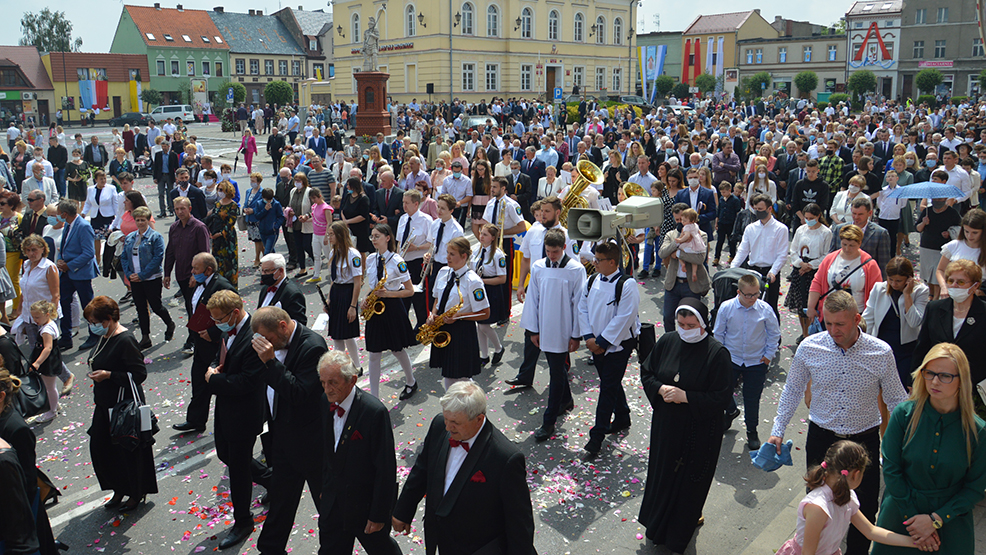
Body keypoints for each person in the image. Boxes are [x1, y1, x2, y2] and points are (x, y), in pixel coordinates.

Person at [769, 290, 908, 555]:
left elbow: (896, 400)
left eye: (840, 324)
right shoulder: (810, 347)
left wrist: (909, 440)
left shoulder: (880, 353)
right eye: (828, 323)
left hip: (862, 443)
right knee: (819, 505)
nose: (832, 330)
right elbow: (792, 390)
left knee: (865, 507)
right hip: (822, 439)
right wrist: (777, 430)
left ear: (857, 319)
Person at [392, 381, 536, 555]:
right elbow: (423, 468)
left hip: (476, 547)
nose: (447, 427)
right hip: (439, 538)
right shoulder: (440, 426)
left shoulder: (505, 458)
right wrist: (403, 510)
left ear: (479, 420)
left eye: (455, 422)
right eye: (446, 419)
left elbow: (519, 522)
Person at [873, 344, 986, 554]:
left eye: (945, 376)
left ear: (962, 381)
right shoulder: (903, 415)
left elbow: (975, 488)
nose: (934, 381)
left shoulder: (977, 431)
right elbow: (891, 469)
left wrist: (935, 520)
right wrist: (915, 523)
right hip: (900, 514)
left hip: (951, 523)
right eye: (930, 373)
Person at [638, 298, 731, 553]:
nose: (685, 329)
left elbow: (722, 396)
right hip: (667, 428)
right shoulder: (668, 341)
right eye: (681, 324)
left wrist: (687, 397)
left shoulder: (717, 354)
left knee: (688, 486)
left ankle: (680, 533)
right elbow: (647, 372)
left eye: (691, 325)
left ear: (703, 325)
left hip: (698, 433)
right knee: (662, 476)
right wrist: (660, 388)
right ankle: (657, 525)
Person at [250, 306, 328, 555]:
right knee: (281, 500)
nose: (268, 345)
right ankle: (271, 549)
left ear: (283, 326)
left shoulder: (312, 346)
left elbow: (299, 393)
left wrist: (271, 362)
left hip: (311, 443)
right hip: (283, 438)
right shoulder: (275, 345)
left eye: (270, 339)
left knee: (328, 505)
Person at [316, 350, 402, 555]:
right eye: (323, 382)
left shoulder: (373, 412)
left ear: (352, 380)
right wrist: (324, 487)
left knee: (382, 550)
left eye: (333, 382)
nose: (327, 389)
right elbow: (327, 450)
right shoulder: (324, 401)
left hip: (364, 507)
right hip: (333, 503)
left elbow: (385, 468)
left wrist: (379, 514)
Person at [203, 290, 270, 550]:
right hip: (226, 406)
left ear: (235, 313)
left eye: (219, 318)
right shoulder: (228, 330)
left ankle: (243, 520)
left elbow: (248, 381)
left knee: (238, 469)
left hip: (244, 411)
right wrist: (213, 368)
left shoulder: (254, 337)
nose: (216, 322)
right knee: (226, 454)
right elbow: (220, 354)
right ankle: (271, 479)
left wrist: (214, 379)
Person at [775, 440, 923, 555]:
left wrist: (915, 542)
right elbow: (808, 553)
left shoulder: (847, 496)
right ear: (856, 474)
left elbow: (870, 531)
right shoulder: (818, 507)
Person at [84, 296, 159, 511]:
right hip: (105, 404)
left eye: (94, 322)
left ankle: (136, 492)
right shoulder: (105, 336)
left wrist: (109, 375)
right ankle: (119, 487)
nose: (92, 327)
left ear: (108, 319)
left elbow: (139, 374)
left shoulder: (125, 340)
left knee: (127, 451)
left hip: (122, 406)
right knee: (102, 448)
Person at [578, 240, 640, 457]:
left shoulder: (626, 284)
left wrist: (602, 342)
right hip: (596, 343)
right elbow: (582, 307)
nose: (594, 263)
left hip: (618, 345)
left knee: (607, 388)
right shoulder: (593, 279)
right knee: (609, 382)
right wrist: (589, 337)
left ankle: (597, 436)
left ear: (612, 262)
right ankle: (622, 415)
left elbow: (625, 317)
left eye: (599, 260)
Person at [524, 228, 586, 442]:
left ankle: (548, 422)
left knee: (556, 373)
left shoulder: (576, 270)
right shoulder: (539, 267)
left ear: (564, 248)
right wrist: (533, 330)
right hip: (544, 327)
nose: (552, 255)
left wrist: (576, 335)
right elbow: (533, 299)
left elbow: (580, 304)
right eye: (548, 251)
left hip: (563, 329)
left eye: (556, 251)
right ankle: (567, 400)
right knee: (557, 370)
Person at [715, 274, 781, 451]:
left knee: (752, 399)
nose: (752, 298)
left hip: (756, 361)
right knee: (722, 390)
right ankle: (730, 410)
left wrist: (768, 356)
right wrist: (721, 357)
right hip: (732, 358)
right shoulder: (727, 308)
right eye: (748, 295)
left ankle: (752, 431)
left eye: (756, 294)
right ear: (739, 292)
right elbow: (719, 334)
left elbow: (774, 334)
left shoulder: (765, 309)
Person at [912, 259, 986, 417]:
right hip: (937, 387)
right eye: (950, 281)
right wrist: (913, 381)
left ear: (975, 286)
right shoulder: (934, 308)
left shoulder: (984, 313)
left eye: (960, 282)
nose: (954, 286)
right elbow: (923, 346)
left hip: (973, 391)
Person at [172, 253, 233, 433]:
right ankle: (196, 421)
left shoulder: (222, 286)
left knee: (221, 386)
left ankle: (228, 423)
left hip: (215, 346)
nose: (192, 272)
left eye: (195, 269)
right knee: (199, 384)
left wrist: (213, 332)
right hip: (200, 344)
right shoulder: (198, 283)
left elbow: (232, 316)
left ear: (208, 270)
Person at [427, 236, 490, 389]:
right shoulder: (443, 272)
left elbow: (485, 313)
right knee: (449, 374)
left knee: (457, 377)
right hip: (443, 327)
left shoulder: (473, 281)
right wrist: (432, 314)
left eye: (452, 254)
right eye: (447, 253)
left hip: (461, 331)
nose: (447, 257)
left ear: (464, 256)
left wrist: (459, 316)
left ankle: (465, 408)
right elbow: (437, 299)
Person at [862, 257, 929, 389]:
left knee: (901, 388)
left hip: (906, 349)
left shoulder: (921, 291)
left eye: (899, 281)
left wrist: (907, 295)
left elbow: (915, 322)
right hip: (882, 346)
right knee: (879, 388)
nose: (894, 284)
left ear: (909, 278)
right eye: (890, 279)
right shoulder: (878, 288)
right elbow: (868, 318)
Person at [120, 206, 176, 351]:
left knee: (156, 305)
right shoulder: (131, 237)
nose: (140, 223)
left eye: (142, 220)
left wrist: (142, 275)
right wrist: (129, 274)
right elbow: (124, 256)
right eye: (137, 220)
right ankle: (145, 337)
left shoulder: (155, 237)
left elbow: (158, 258)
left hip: (151, 278)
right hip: (135, 278)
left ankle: (169, 323)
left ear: (147, 220)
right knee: (140, 308)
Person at [807, 224, 883, 328]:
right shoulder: (830, 259)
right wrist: (811, 307)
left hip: (855, 315)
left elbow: (876, 293)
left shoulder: (870, 264)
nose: (847, 249)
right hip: (830, 313)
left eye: (851, 245)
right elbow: (817, 283)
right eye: (844, 244)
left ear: (860, 243)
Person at [164, 197, 212, 357]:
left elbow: (205, 254)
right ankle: (197, 336)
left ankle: (193, 339)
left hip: (196, 277)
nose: (179, 212)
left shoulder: (199, 227)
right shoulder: (174, 228)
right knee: (190, 307)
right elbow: (170, 251)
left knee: (196, 308)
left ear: (189, 209)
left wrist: (196, 275)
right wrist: (167, 273)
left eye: (182, 209)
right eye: (176, 209)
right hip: (181, 275)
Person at [658, 203, 710, 332]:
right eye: (678, 220)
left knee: (690, 320)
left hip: (691, 285)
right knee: (668, 317)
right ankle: (671, 342)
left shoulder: (700, 235)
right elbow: (662, 253)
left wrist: (679, 254)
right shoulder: (671, 235)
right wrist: (677, 242)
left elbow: (699, 258)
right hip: (673, 283)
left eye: (683, 219)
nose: (681, 223)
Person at [56, 200, 99, 351]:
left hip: (80, 272)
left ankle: (95, 335)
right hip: (67, 272)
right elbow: (65, 245)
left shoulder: (83, 226)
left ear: (65, 214)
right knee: (64, 302)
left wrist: (69, 265)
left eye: (59, 213)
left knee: (87, 305)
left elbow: (88, 253)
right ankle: (66, 336)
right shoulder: (68, 224)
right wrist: (61, 261)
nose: (57, 216)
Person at [785, 203, 833, 339]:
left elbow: (826, 254)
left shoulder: (826, 232)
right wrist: (800, 264)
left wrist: (810, 265)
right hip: (799, 268)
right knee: (800, 304)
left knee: (811, 303)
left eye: (811, 217)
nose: (808, 220)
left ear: (818, 216)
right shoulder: (801, 230)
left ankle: (812, 333)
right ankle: (804, 332)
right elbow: (793, 250)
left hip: (814, 270)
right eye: (806, 217)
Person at [324, 221, 364, 372]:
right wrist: (329, 298)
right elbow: (334, 280)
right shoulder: (333, 252)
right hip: (336, 293)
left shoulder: (353, 255)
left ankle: (357, 366)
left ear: (340, 235)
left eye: (332, 234)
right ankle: (340, 368)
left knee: (347, 334)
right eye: (329, 234)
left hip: (347, 294)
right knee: (337, 335)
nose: (329, 237)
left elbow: (357, 281)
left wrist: (353, 306)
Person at [829, 197, 893, 279]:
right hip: (840, 278)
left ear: (870, 213)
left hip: (867, 279)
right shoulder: (839, 229)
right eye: (854, 213)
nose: (856, 217)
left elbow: (884, 263)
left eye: (860, 214)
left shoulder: (880, 233)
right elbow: (832, 255)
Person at [934, 208, 986, 300]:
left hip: (979, 297)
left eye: (975, 233)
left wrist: (981, 290)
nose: (970, 236)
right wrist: (944, 287)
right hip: (953, 294)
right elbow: (940, 270)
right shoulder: (953, 246)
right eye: (966, 231)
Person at [257, 253, 307, 325]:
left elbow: (299, 324)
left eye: (267, 271)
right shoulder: (265, 288)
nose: (263, 274)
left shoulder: (292, 294)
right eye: (262, 270)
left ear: (280, 271)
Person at [210, 181, 240, 287]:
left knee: (229, 264)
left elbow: (231, 223)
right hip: (216, 238)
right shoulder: (217, 204)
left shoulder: (233, 205)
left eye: (221, 189)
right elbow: (213, 218)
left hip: (228, 238)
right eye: (218, 189)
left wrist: (220, 233)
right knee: (217, 263)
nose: (219, 192)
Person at [341, 177, 373, 264]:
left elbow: (363, 216)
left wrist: (348, 221)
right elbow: (343, 209)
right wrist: (344, 221)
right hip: (349, 228)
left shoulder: (363, 199)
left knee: (361, 252)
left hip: (360, 229)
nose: (347, 187)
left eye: (348, 185)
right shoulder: (348, 196)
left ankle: (362, 272)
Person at [289, 173, 315, 278]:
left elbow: (314, 206)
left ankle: (316, 261)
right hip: (296, 223)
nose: (297, 183)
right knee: (298, 246)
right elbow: (290, 205)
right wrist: (289, 212)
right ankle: (302, 268)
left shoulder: (309, 192)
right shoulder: (293, 191)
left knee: (307, 245)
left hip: (306, 223)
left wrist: (307, 215)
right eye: (296, 180)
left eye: (299, 180)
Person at [674, 208, 706, 282]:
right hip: (697, 245)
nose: (682, 222)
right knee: (694, 260)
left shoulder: (686, 227)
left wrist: (680, 240)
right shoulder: (695, 225)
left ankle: (682, 264)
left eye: (684, 221)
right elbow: (698, 233)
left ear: (692, 221)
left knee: (678, 252)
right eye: (682, 220)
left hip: (689, 245)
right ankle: (694, 273)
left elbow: (687, 236)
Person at [242, 173, 265, 268]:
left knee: (258, 240)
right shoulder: (248, 191)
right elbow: (245, 203)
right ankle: (266, 258)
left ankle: (258, 259)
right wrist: (244, 209)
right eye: (251, 180)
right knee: (256, 240)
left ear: (259, 182)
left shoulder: (262, 192)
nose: (251, 183)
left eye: (253, 181)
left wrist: (253, 210)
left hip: (258, 219)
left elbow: (263, 206)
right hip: (250, 219)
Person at [152, 140, 179, 218]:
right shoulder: (158, 155)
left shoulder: (173, 155)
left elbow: (176, 167)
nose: (164, 148)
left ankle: (171, 210)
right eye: (162, 146)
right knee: (161, 194)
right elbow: (155, 167)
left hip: (169, 176)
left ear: (168, 146)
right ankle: (162, 211)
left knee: (170, 193)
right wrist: (155, 177)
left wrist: (177, 177)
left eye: (165, 146)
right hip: (161, 176)